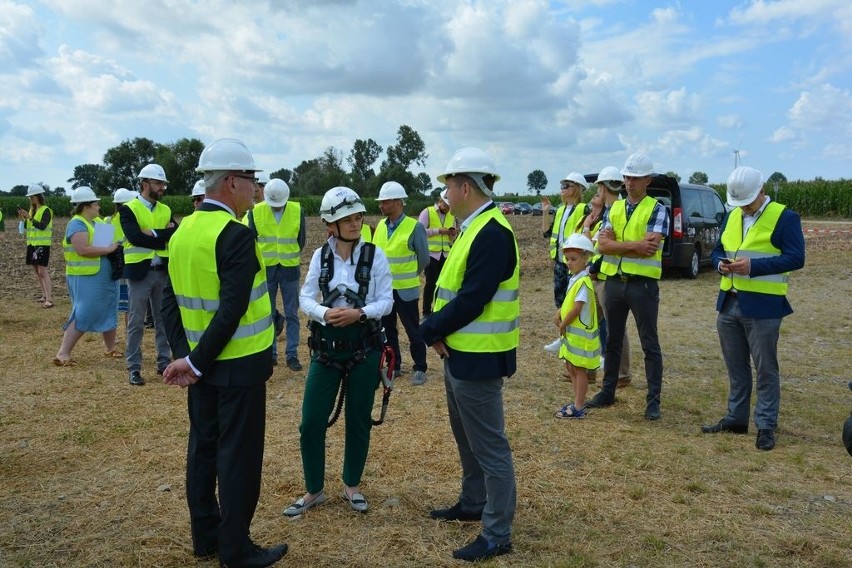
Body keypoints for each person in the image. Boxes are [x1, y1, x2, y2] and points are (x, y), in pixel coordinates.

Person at [160, 138, 287, 568]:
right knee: (238, 459)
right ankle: (235, 549)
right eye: (252, 180)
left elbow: (170, 304)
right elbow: (233, 309)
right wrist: (193, 362)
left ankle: (206, 538)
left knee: (204, 449)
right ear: (231, 182)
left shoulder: (183, 232)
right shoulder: (234, 234)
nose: (256, 188)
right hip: (238, 368)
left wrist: (188, 359)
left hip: (201, 367)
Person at [421, 147, 518, 563]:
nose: (444, 193)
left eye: (447, 185)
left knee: (490, 447)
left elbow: (473, 300)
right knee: (468, 439)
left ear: (464, 186)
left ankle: (497, 532)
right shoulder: (473, 228)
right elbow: (452, 291)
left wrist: (429, 330)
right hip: (459, 352)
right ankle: (473, 502)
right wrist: (440, 334)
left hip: (479, 358)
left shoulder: (492, 233)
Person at [283, 186, 393, 518]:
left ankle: (352, 486)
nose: (356, 222)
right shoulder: (320, 256)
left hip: (364, 348)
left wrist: (360, 313)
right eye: (347, 218)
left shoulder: (376, 255)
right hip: (326, 349)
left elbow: (386, 301)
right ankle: (314, 489)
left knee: (358, 420)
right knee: (311, 422)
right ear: (331, 224)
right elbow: (305, 297)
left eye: (358, 216)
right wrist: (323, 313)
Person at [701, 166, 805, 451]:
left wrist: (754, 267)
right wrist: (720, 262)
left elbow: (796, 258)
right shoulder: (734, 214)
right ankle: (736, 418)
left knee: (765, 369)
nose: (743, 207)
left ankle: (766, 425)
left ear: (761, 191)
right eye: (739, 203)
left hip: (764, 306)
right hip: (729, 301)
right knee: (736, 367)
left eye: (747, 201)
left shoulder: (785, 217)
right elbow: (718, 248)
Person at [586, 152, 668, 420]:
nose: (629, 182)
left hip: (642, 286)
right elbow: (602, 244)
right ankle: (608, 392)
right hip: (614, 284)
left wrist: (617, 246)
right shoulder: (616, 208)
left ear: (648, 179)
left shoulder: (657, 209)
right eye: (626, 177)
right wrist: (633, 246)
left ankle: (653, 401)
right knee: (612, 340)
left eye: (634, 178)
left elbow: (650, 248)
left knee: (649, 343)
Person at [120, 163, 177, 386]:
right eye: (158, 183)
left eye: (163, 183)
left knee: (164, 320)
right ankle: (134, 367)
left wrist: (153, 233)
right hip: (139, 273)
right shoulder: (129, 209)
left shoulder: (165, 209)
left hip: (161, 270)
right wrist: (164, 233)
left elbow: (176, 233)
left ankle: (164, 362)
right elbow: (135, 237)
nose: (162, 187)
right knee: (136, 321)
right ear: (145, 184)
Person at [53, 187, 121, 366]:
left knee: (109, 308)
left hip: (101, 276)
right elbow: (82, 249)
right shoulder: (77, 223)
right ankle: (63, 353)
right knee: (84, 312)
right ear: (86, 206)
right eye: (96, 204)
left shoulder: (95, 221)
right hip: (85, 277)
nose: (99, 207)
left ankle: (110, 348)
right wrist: (109, 249)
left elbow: (104, 240)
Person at [373, 181, 430, 385]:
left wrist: (410, 274)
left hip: (406, 290)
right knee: (388, 330)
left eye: (384, 201)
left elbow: (424, 259)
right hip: (384, 291)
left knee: (413, 329)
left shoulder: (415, 227)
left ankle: (420, 367)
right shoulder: (380, 226)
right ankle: (394, 365)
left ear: (398, 202)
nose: (380, 205)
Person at [246, 178, 306, 370]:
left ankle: (292, 355)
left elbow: (301, 239)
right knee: (267, 313)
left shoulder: (297, 211)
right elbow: (251, 240)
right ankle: (270, 353)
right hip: (266, 270)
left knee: (292, 314)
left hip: (290, 269)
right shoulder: (255, 212)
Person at [589, 167, 633, 387]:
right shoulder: (609, 210)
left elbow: (607, 246)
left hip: (608, 276)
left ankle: (622, 374)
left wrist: (595, 263)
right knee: (599, 325)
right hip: (601, 274)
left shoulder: (616, 210)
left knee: (615, 327)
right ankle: (598, 368)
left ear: (602, 187)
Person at [553, 234, 600, 419]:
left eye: (573, 259)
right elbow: (568, 302)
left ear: (585, 258)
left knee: (579, 370)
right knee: (570, 367)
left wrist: (563, 323)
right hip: (572, 336)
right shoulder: (575, 279)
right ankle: (576, 401)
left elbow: (577, 308)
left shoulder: (583, 281)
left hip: (580, 338)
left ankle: (579, 406)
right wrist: (559, 313)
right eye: (567, 259)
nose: (569, 263)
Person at [542, 172, 588, 353]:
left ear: (576, 188)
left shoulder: (583, 209)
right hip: (561, 263)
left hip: (575, 263)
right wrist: (545, 213)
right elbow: (547, 233)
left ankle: (572, 338)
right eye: (562, 185)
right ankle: (563, 338)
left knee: (572, 303)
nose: (562, 188)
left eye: (566, 185)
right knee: (560, 302)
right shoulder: (561, 210)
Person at [418, 188, 457, 319]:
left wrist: (452, 234)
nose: (447, 208)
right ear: (440, 201)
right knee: (430, 284)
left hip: (445, 254)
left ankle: (438, 310)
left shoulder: (451, 215)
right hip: (431, 255)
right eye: (445, 205)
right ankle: (426, 313)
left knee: (443, 284)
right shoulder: (427, 212)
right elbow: (419, 232)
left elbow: (451, 238)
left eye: (449, 206)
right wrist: (437, 231)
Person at [18, 183, 54, 308]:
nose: (31, 199)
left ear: (39, 196)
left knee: (42, 271)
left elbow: (42, 226)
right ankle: (44, 296)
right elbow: (29, 227)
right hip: (32, 244)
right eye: (30, 197)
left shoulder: (46, 210)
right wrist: (24, 218)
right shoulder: (32, 210)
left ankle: (49, 299)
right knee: (37, 272)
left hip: (42, 244)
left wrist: (29, 217)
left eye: (32, 196)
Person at [106, 188, 138, 326]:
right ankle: (129, 334)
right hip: (130, 264)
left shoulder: (107, 220)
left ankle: (112, 336)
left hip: (113, 265)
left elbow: (102, 244)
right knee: (130, 304)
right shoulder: (134, 219)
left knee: (114, 302)